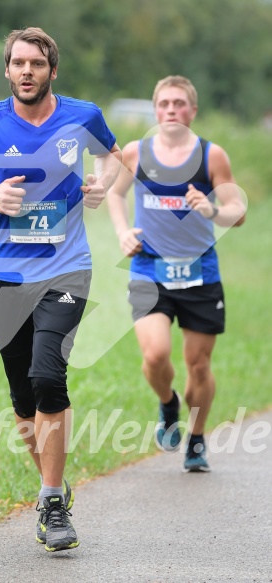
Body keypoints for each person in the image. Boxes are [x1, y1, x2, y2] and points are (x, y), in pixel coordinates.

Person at [0, 27, 121, 551]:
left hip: (67, 271)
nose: (26, 71)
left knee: (48, 376)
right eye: (17, 63)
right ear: (7, 70)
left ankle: (51, 504)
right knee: (23, 401)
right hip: (8, 277)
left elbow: (114, 156)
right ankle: (54, 487)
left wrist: (102, 184)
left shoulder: (82, 116)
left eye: (36, 64)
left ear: (52, 70)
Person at [107, 75, 246, 472]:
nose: (172, 109)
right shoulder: (136, 152)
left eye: (179, 103)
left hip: (200, 273)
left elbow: (238, 212)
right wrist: (121, 232)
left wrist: (213, 211)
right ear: (156, 109)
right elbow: (116, 194)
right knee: (155, 355)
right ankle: (168, 404)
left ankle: (197, 439)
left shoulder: (211, 155)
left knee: (199, 365)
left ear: (193, 110)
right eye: (165, 103)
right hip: (149, 268)